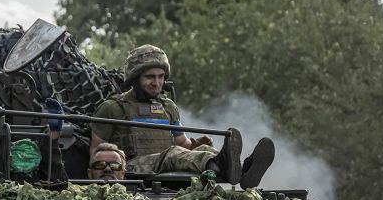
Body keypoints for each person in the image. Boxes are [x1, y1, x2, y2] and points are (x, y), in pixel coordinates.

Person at [90, 45, 275, 188]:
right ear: (134, 78)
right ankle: (220, 163)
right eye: (150, 77)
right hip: (129, 167)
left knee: (203, 151)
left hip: (165, 163)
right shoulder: (112, 108)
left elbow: (183, 145)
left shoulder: (168, 107)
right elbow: (96, 154)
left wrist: (196, 145)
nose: (157, 83)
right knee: (172, 154)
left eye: (161, 77)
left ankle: (243, 169)